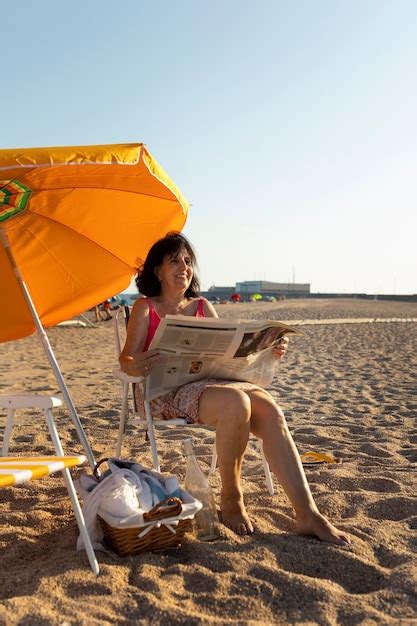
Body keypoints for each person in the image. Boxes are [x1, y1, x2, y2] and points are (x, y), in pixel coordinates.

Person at [120, 232, 350, 545]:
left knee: (270, 409)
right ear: (157, 270)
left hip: (211, 383)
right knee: (236, 404)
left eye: (188, 261)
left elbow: (231, 355)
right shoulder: (146, 308)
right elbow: (127, 360)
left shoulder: (202, 306)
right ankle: (232, 497)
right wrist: (138, 363)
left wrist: (269, 352)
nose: (184, 267)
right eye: (174, 260)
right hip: (164, 393)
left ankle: (307, 512)